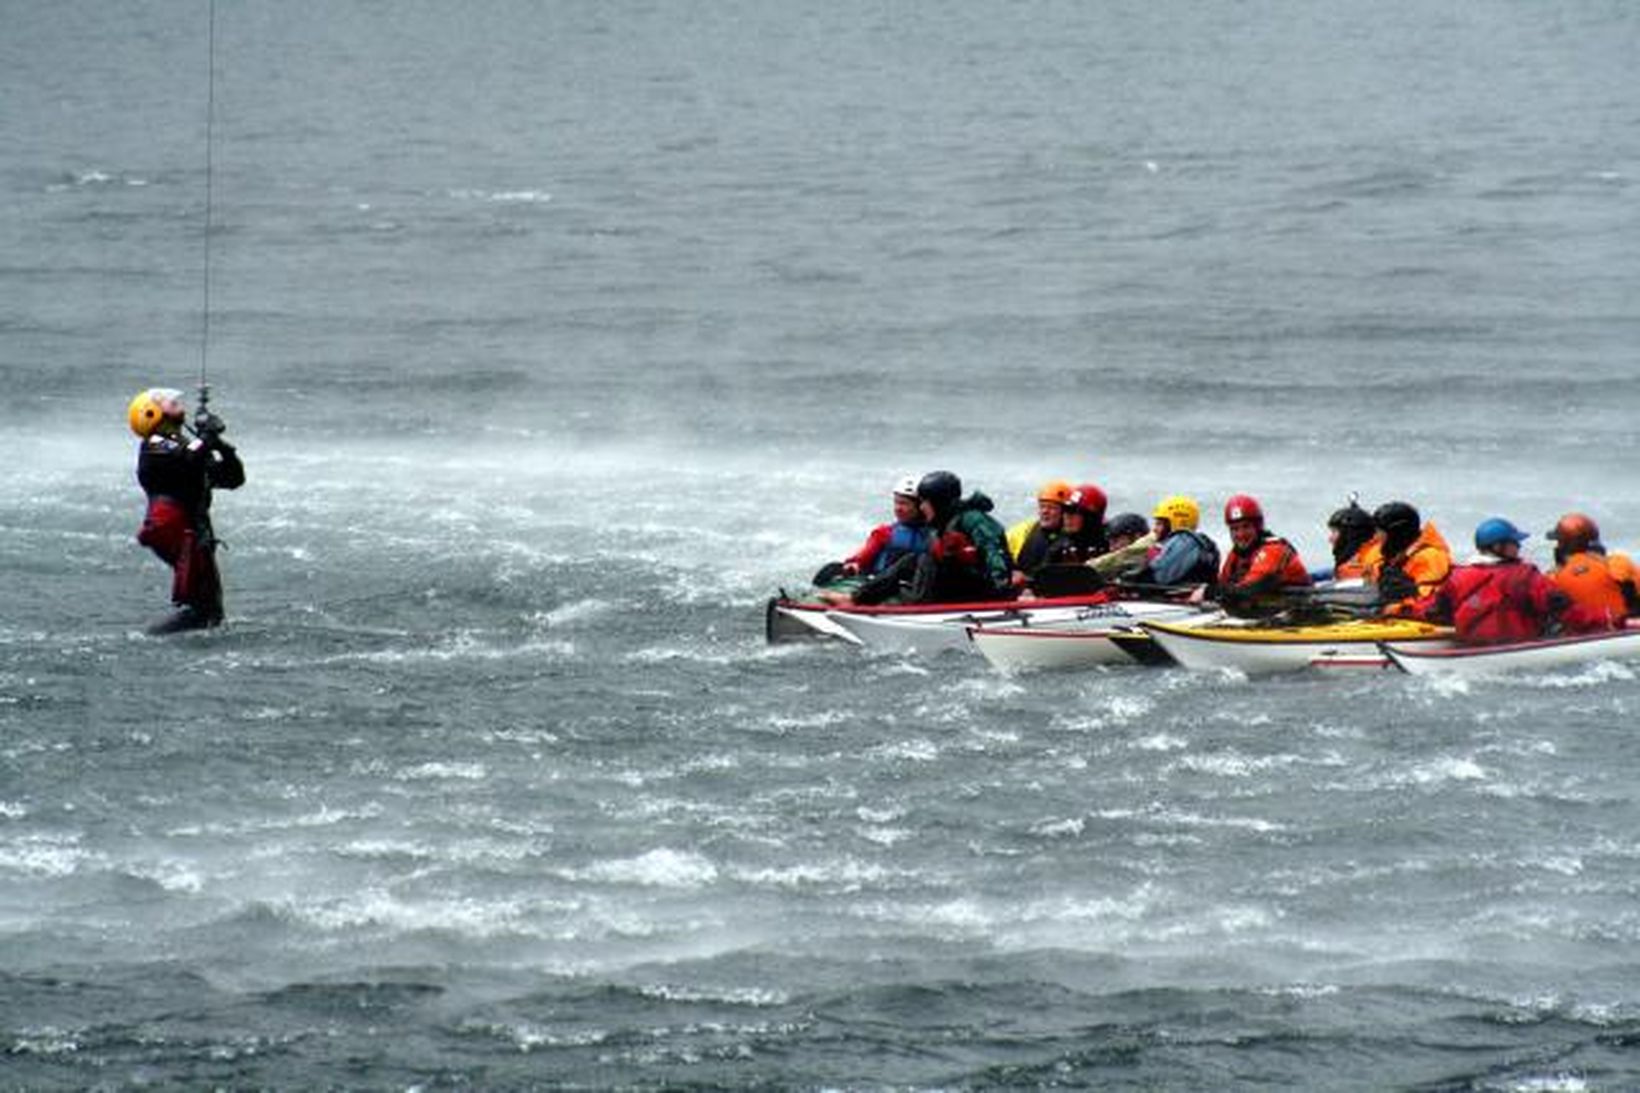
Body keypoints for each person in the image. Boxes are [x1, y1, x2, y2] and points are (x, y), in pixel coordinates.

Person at [129, 387, 245, 633]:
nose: (176, 402)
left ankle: (174, 638)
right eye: (167, 402)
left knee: (211, 607)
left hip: (195, 529)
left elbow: (233, 478)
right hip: (174, 529)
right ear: (151, 413)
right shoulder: (154, 444)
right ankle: (149, 638)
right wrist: (207, 437)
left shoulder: (187, 445)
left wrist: (223, 447)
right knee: (201, 606)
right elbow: (188, 457)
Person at [1401, 517, 1611, 643]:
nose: (1518, 547)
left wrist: (1397, 609)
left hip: (1473, 650)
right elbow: (1567, 611)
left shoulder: (1458, 577)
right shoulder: (1526, 576)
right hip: (1522, 649)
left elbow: (1432, 611)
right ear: (1498, 547)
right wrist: (1609, 621)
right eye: (1514, 543)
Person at [830, 471, 1013, 606]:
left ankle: (915, 604)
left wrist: (1003, 589)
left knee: (926, 558)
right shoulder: (941, 524)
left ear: (938, 503)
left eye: (925, 502)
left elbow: (994, 553)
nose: (922, 507)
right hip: (959, 587)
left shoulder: (973, 520)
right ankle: (856, 599)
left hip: (988, 591)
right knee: (912, 560)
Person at [818, 476, 932, 583]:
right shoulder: (884, 533)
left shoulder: (935, 534)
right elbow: (861, 558)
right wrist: (853, 565)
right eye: (896, 502)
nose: (898, 509)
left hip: (915, 588)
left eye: (904, 503)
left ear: (920, 506)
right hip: (880, 585)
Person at [1215, 494, 1311, 614]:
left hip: (1300, 611)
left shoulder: (1274, 549)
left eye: (1246, 527)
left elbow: (1249, 589)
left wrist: (1208, 592)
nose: (1240, 534)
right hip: (1271, 611)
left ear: (1258, 526)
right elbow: (1223, 584)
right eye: (1234, 529)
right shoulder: (1236, 555)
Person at [1547, 512, 1640, 621]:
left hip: (1582, 635)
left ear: (1564, 545)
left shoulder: (1553, 577)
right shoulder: (1618, 563)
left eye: (1558, 542)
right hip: (1625, 632)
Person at [1365, 501, 1452, 606]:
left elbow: (1430, 602)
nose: (1376, 537)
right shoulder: (1388, 556)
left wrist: (1407, 592)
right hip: (1385, 614)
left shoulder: (1430, 557)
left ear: (1397, 534)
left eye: (1381, 533)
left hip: (1419, 617)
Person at [1132, 495, 1220, 589]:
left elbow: (1159, 576)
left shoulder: (1185, 541)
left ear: (1178, 522)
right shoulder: (1193, 543)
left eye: (1159, 524)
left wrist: (1131, 578)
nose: (1154, 529)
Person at [1006, 479, 1074, 587]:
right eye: (1042, 506)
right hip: (1019, 589)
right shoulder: (1023, 530)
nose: (1044, 511)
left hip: (1049, 590)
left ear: (1064, 512)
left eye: (1051, 507)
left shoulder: (1073, 536)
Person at [1044, 485, 1109, 565]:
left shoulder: (1111, 544)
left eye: (1073, 511)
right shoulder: (1059, 548)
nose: (1067, 516)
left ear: (1090, 518)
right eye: (1065, 510)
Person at [1313, 499, 1377, 581]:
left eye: (1334, 532)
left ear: (1350, 535)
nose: (1330, 539)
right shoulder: (1365, 556)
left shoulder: (1369, 564)